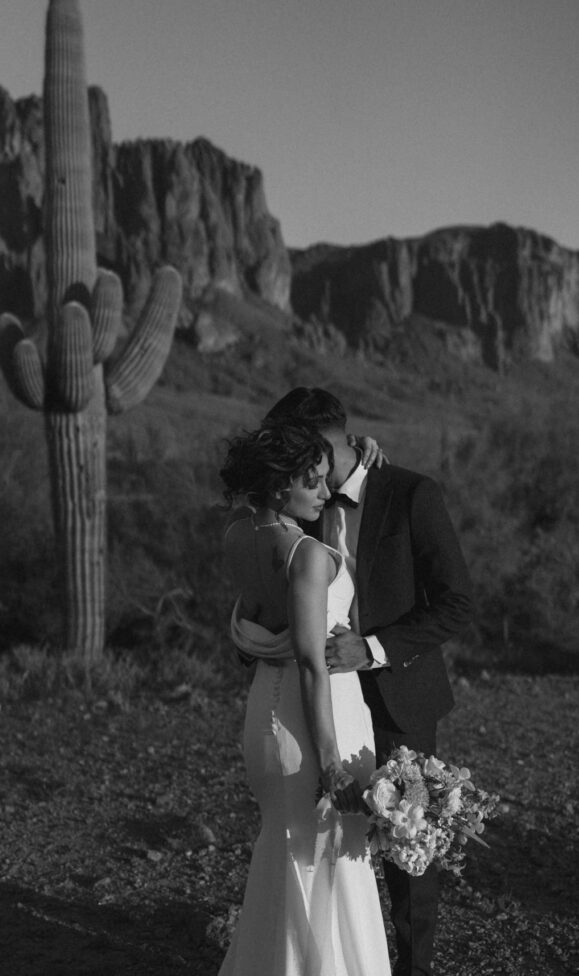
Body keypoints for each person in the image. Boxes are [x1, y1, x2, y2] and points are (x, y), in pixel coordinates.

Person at [264, 387, 473, 976]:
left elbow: (457, 603)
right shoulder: (297, 505)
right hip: (324, 701)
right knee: (325, 839)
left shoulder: (411, 493)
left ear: (327, 446)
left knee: (409, 851)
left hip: (399, 697)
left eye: (296, 450)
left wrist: (373, 649)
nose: (288, 465)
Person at [218, 421, 392, 976]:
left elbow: (253, 624)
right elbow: (315, 666)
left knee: (285, 857)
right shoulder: (309, 556)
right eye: (313, 482)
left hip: (263, 718)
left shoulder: (235, 537)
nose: (324, 490)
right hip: (311, 720)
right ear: (277, 488)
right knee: (332, 861)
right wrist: (332, 763)